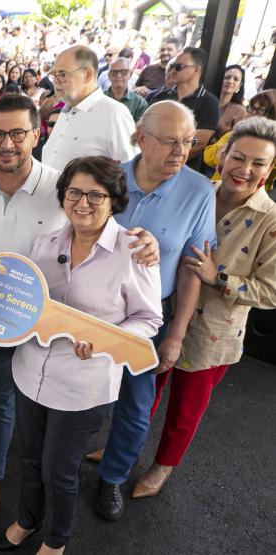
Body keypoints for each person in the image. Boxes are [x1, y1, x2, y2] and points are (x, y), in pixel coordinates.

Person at [0, 156, 163, 554]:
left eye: (94, 195)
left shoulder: (134, 250)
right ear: (63, 196)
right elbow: (23, 302)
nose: (82, 203)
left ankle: (56, 541)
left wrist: (108, 339)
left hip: (85, 385)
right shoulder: (45, 244)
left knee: (59, 471)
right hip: (30, 372)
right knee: (31, 460)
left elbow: (148, 318)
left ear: (114, 199)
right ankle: (27, 519)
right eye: (74, 193)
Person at [134, 117, 276, 499]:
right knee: (143, 391)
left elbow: (271, 292)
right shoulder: (196, 192)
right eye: (239, 157)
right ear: (222, 155)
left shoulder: (270, 219)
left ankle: (161, 467)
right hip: (165, 312)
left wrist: (220, 278)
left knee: (186, 409)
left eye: (259, 163)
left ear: (270, 168)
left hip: (215, 330)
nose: (245, 170)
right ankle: (126, 449)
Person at [89, 101, 217, 522]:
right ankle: (61, 459)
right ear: (140, 139)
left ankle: (112, 478)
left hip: (150, 314)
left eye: (187, 142)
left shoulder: (198, 191)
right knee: (80, 384)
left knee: (135, 402)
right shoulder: (109, 178)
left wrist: (176, 335)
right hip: (93, 304)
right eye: (169, 141)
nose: (181, 151)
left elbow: (191, 269)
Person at [42, 46, 138, 170]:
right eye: (54, 74)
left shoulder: (114, 113)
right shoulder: (67, 110)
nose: (55, 81)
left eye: (62, 74)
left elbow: (130, 169)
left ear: (87, 74)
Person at [146, 47, 219, 171]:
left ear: (196, 69)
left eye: (179, 67)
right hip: (150, 164)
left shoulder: (209, 102)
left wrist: (165, 162)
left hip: (181, 170)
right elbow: (145, 129)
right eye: (173, 66)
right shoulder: (161, 96)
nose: (173, 70)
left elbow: (198, 143)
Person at [106, 58, 148, 122]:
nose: (119, 75)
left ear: (130, 74)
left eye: (123, 72)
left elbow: (141, 128)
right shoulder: (99, 99)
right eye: (114, 72)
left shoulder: (139, 103)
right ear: (109, 75)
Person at [216, 65, 247, 139]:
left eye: (235, 79)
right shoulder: (207, 101)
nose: (230, 81)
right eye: (227, 77)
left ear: (240, 85)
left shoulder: (241, 111)